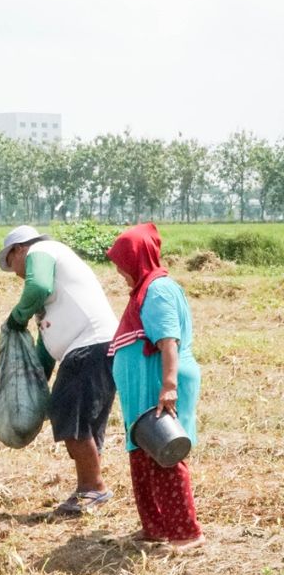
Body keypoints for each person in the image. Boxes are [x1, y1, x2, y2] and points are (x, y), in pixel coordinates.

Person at [0, 225, 119, 515]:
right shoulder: (54, 280)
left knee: (70, 414)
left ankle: (93, 488)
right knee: (81, 419)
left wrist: (17, 317)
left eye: (12, 263)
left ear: (20, 249)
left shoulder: (42, 251)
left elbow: (37, 287)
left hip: (89, 346)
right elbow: (46, 345)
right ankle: (89, 487)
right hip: (95, 348)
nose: (18, 274)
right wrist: (34, 385)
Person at [107, 224, 205, 551]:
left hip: (158, 384)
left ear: (137, 258)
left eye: (122, 262)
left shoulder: (158, 290)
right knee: (144, 452)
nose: (120, 271)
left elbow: (168, 343)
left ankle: (185, 532)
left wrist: (168, 386)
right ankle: (156, 528)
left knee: (164, 452)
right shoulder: (145, 289)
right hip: (143, 388)